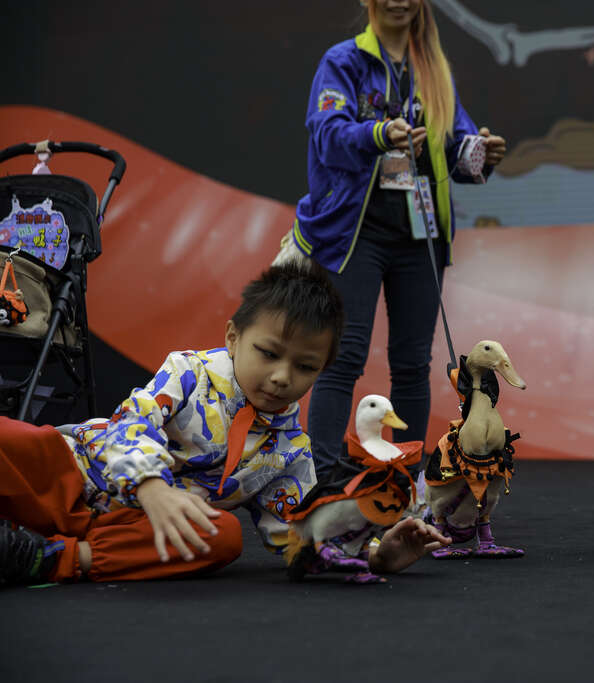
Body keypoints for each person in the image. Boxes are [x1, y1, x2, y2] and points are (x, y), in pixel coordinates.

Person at [0, 263, 449, 586]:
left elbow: (299, 535)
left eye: (305, 367)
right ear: (233, 338)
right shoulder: (187, 372)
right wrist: (152, 487)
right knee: (18, 440)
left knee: (221, 536)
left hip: (129, 531)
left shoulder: (291, 453)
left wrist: (375, 555)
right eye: (268, 354)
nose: (282, 377)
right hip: (67, 476)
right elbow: (129, 423)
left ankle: (42, 558)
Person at [285, 0, 507, 479]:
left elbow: (455, 146)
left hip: (420, 234)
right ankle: (323, 479)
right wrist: (380, 133)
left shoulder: (434, 69)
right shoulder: (343, 61)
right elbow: (326, 134)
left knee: (412, 364)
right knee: (342, 357)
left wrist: (481, 154)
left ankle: (404, 481)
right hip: (354, 232)